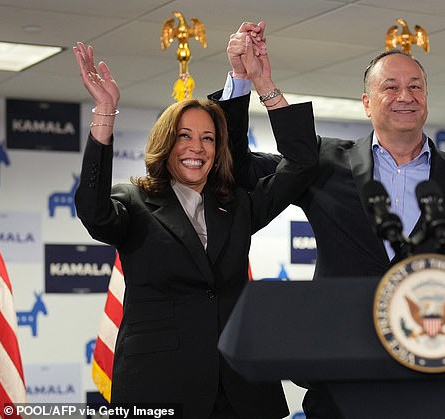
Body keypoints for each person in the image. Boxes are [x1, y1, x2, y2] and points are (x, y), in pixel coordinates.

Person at [216, 22, 445, 419]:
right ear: (367, 103)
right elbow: (238, 166)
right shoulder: (322, 164)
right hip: (340, 386)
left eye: (415, 87)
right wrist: (245, 80)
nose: (404, 96)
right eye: (390, 86)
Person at [73, 38, 317, 418]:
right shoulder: (134, 202)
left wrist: (264, 85)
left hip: (241, 390)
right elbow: (94, 214)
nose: (197, 147)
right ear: (166, 144)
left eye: (208, 138)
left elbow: (301, 162)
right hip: (159, 386)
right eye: (184, 136)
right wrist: (105, 113)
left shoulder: (238, 205)